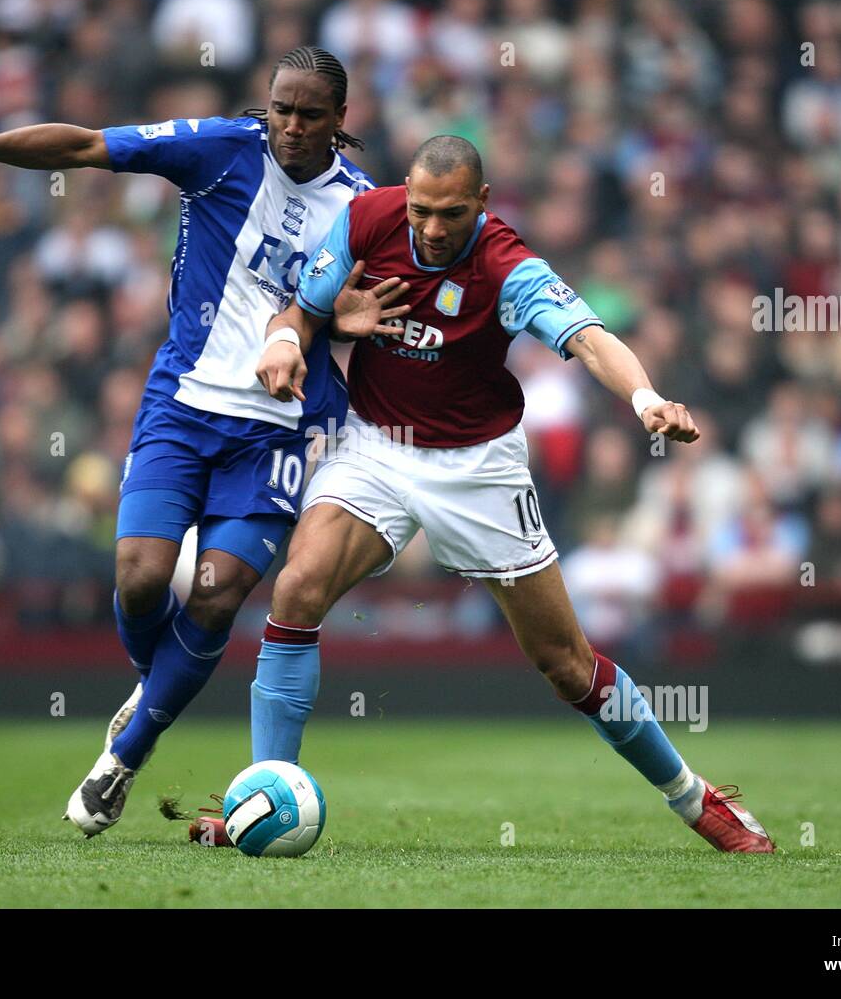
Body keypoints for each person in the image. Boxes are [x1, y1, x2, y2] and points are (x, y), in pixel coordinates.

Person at [226, 135, 774, 853]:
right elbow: (301, 314)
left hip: (477, 468)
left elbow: (589, 339)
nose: (429, 229)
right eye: (420, 210)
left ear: (481, 203)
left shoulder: (506, 264)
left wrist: (645, 398)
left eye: (449, 214)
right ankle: (269, 794)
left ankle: (690, 796)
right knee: (296, 589)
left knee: (565, 665)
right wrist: (292, 341)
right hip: (374, 446)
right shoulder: (366, 221)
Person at [0, 46, 378, 837]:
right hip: (183, 409)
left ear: (341, 119)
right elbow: (88, 145)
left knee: (221, 592)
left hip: (282, 429)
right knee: (138, 579)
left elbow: (404, 302)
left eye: (311, 114)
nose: (292, 127)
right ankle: (155, 680)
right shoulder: (220, 150)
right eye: (282, 109)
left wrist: (347, 322)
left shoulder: (364, 208)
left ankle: (123, 755)